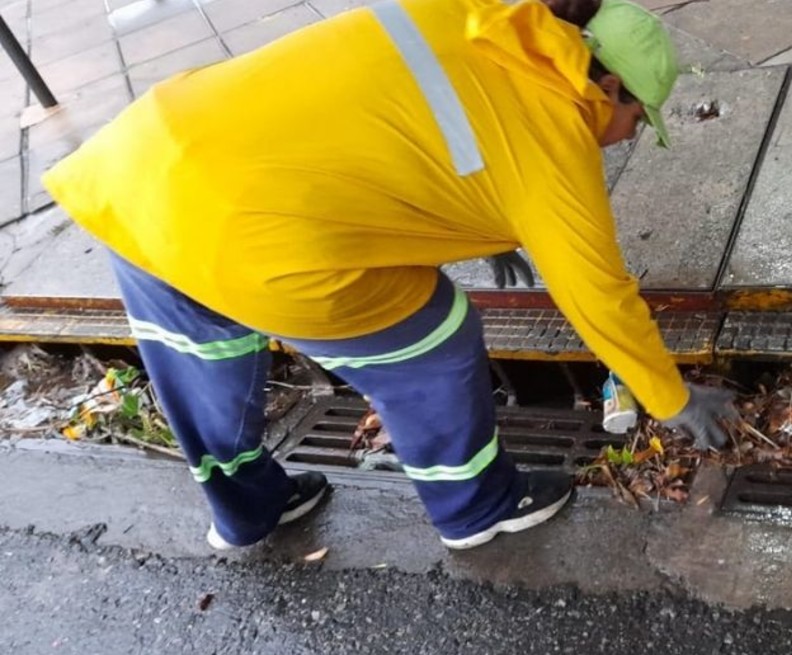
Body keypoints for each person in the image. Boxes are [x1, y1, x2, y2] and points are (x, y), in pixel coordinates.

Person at [41, 0, 736, 551]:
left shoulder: (471, 13)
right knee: (437, 334)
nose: (630, 135)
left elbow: (407, 124)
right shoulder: (555, 138)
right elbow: (599, 298)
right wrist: (672, 399)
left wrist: (484, 219)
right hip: (255, 237)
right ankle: (477, 507)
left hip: (140, 167)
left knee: (204, 355)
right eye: (637, 118)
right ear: (606, 86)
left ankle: (247, 511)